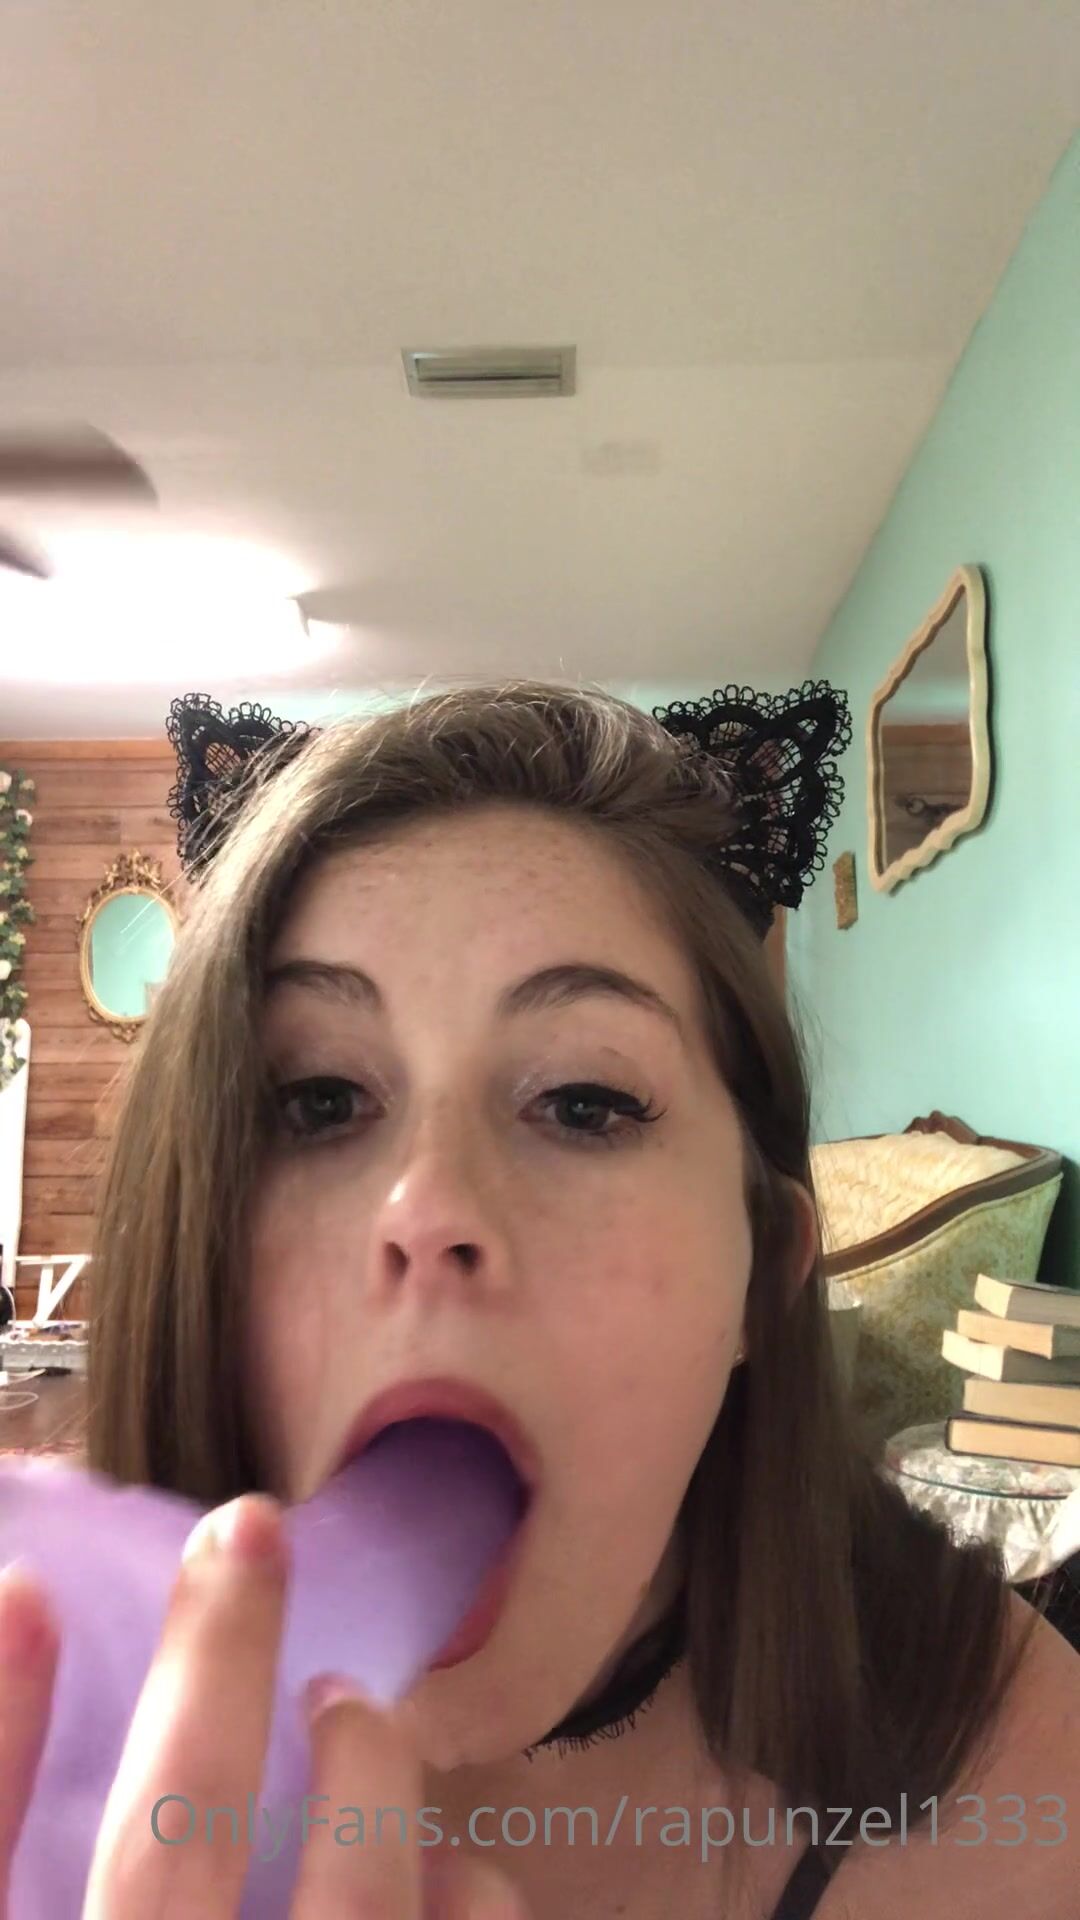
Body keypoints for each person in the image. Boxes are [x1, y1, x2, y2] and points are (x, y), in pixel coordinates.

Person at [1, 679, 1077, 1918]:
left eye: (582, 1102)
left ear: (761, 1278)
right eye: (317, 1101)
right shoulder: (33, 1691)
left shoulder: (1017, 1785)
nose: (426, 1205)